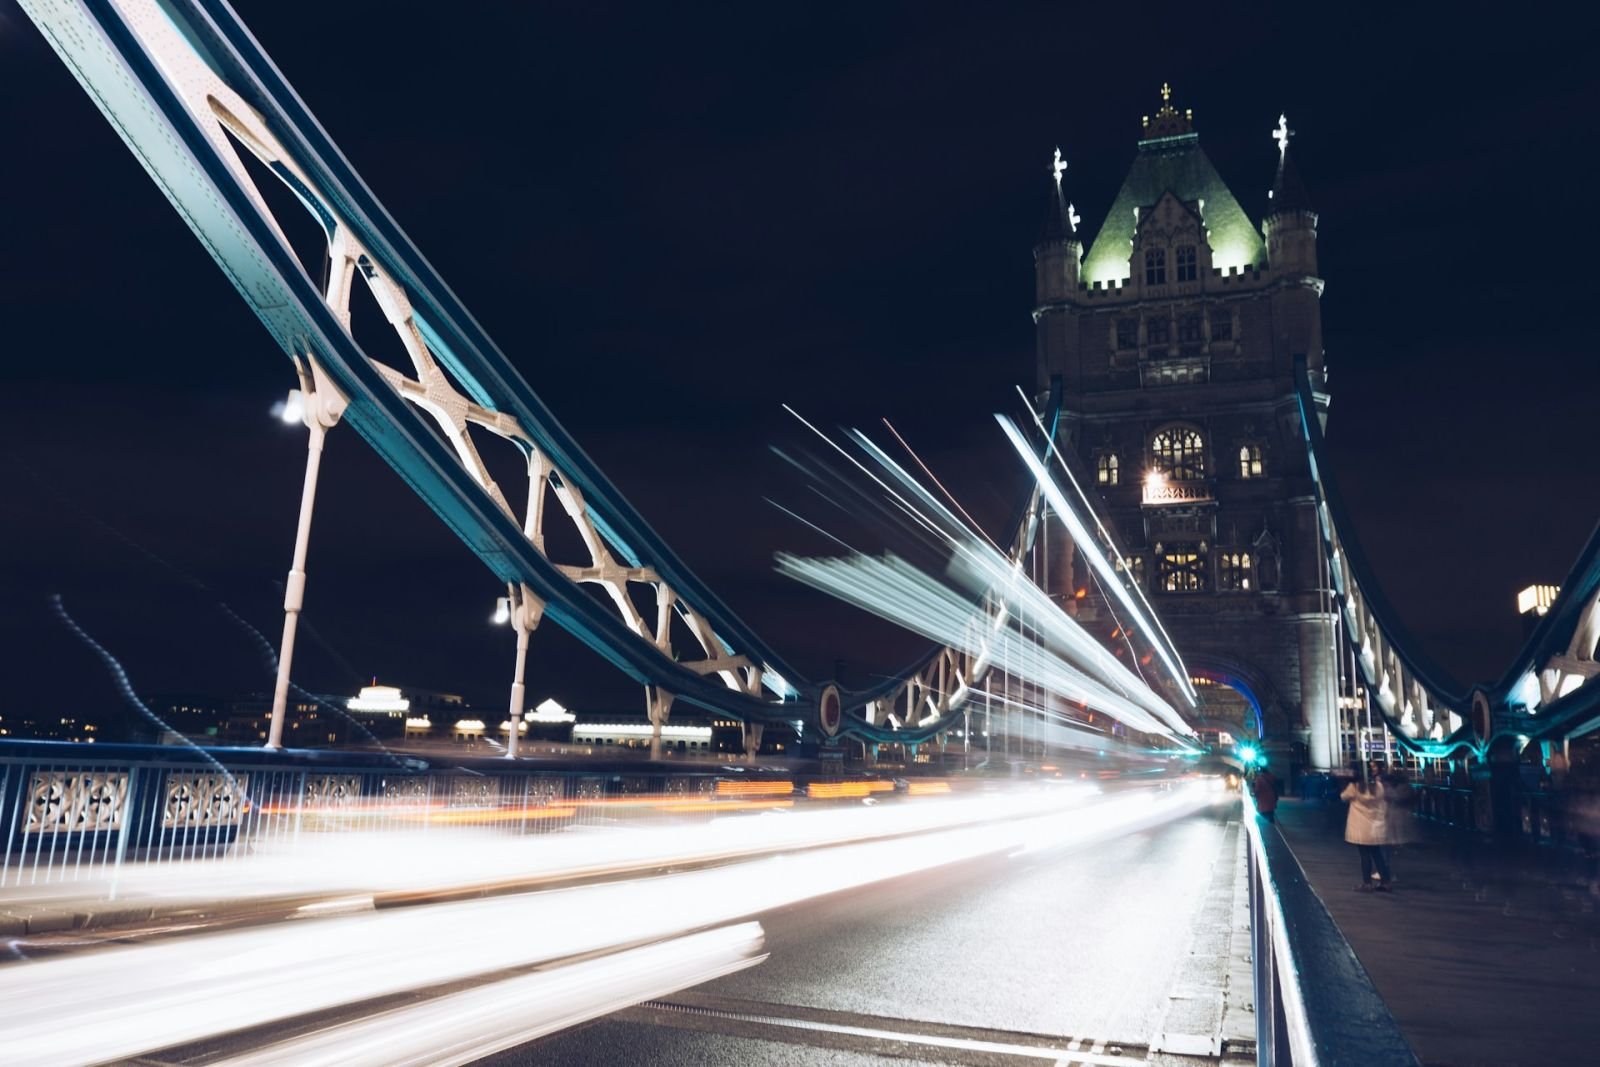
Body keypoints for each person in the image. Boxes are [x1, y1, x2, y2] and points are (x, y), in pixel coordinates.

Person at [1341, 775, 1391, 891]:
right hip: (1374, 826)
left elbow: (1343, 797)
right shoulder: (1378, 786)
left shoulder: (1355, 787)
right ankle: (1386, 881)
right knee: (1377, 854)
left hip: (1360, 826)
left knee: (1364, 855)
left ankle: (1367, 883)